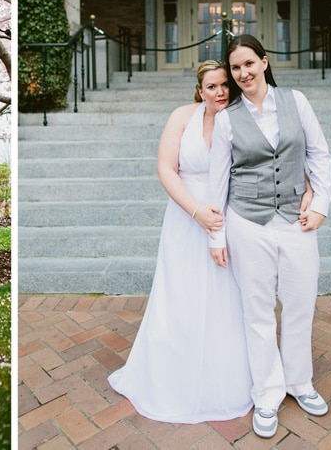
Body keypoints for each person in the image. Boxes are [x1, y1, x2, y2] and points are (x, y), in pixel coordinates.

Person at [108, 60, 254, 423]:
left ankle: (227, 378)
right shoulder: (181, 116)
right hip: (185, 217)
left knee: (227, 296)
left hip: (228, 216)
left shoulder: (242, 117)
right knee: (180, 294)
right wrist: (196, 212)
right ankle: (173, 375)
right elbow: (165, 168)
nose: (219, 92)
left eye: (224, 85)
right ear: (199, 89)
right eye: (211, 86)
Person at [207, 34, 331, 439]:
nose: (242, 73)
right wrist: (217, 236)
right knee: (258, 310)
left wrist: (320, 205)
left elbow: (319, 154)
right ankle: (267, 392)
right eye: (235, 68)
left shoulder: (296, 101)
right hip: (247, 221)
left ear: (264, 62)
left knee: (300, 303)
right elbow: (218, 179)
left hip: (297, 220)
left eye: (248, 64)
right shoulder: (228, 118)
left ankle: (300, 381)